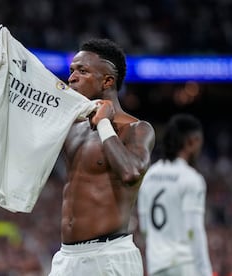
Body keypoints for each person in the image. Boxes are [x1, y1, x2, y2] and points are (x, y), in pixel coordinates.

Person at [48, 38, 155, 275]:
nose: (71, 78)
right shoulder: (72, 128)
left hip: (109, 257)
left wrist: (104, 123)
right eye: (72, 70)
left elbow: (131, 171)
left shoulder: (137, 129)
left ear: (107, 80)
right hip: (66, 258)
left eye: (82, 71)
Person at [137, 114, 213, 276]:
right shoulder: (191, 179)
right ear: (192, 142)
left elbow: (144, 229)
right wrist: (205, 271)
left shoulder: (149, 176)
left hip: (156, 265)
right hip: (184, 265)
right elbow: (195, 230)